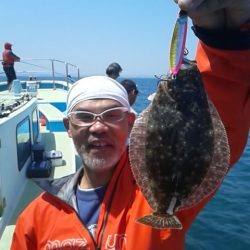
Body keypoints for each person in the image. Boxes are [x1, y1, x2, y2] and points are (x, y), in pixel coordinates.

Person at [11, 1, 250, 249]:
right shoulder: (35, 218)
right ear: (67, 126)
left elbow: (224, 120)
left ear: (130, 122)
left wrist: (224, 36)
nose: (97, 127)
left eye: (112, 115)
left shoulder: (154, 201)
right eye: (84, 117)